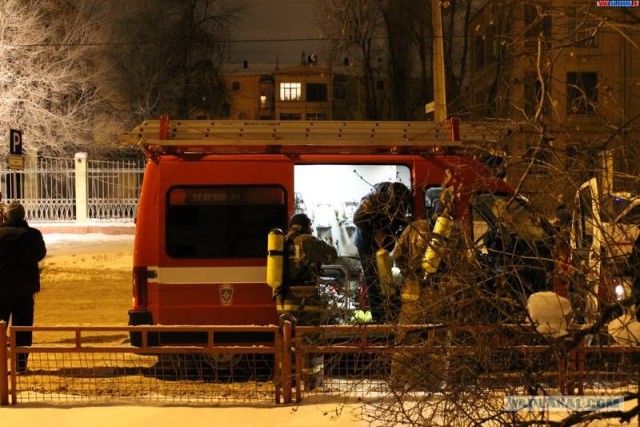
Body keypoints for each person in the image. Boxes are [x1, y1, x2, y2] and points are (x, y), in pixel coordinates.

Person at [277, 212, 337, 391]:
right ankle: (312, 384)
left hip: (285, 301)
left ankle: (288, 382)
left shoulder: (282, 242)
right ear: (306, 225)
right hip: (306, 299)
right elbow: (331, 255)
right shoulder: (307, 240)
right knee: (310, 341)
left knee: (288, 342)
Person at [353, 182, 412, 323]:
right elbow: (358, 219)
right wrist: (377, 229)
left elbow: (400, 219)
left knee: (386, 279)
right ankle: (380, 318)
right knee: (373, 280)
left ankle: (391, 312)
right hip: (367, 243)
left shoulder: (401, 200)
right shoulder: (371, 201)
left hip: (384, 243)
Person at [0, 201, 47, 373]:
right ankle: (20, 365)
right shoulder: (33, 235)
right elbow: (40, 254)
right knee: (23, 327)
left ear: (6, 215)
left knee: (0, 326)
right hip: (25, 289)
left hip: (1, 289)